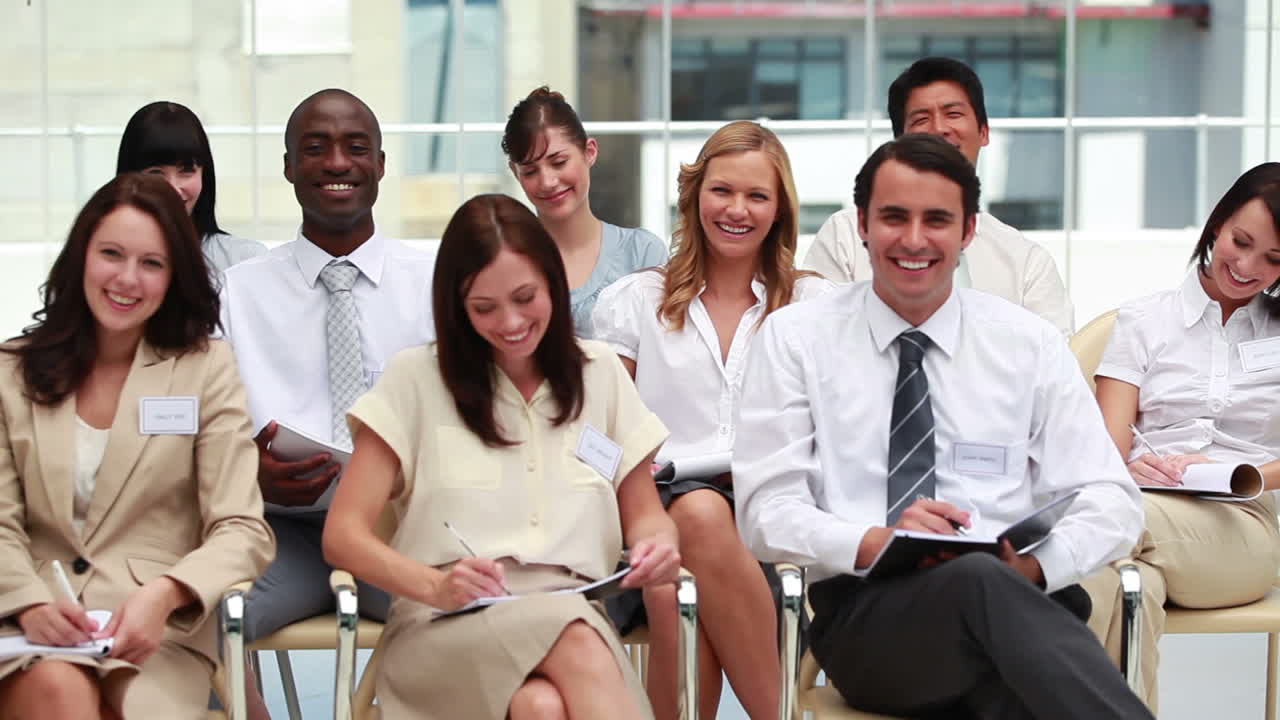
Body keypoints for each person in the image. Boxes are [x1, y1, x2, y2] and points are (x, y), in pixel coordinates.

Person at [734, 133, 1153, 719]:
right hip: (871, 619)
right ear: (861, 224)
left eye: (937, 219)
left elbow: (1113, 500)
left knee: (1005, 646)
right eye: (893, 217)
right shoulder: (796, 339)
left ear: (968, 230)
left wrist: (1031, 567)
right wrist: (882, 541)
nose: (913, 239)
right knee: (991, 600)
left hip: (1017, 603)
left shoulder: (1025, 343)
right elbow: (764, 513)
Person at [322, 193, 678, 720]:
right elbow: (343, 534)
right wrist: (435, 586)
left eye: (525, 297)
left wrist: (657, 546)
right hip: (446, 620)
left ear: (554, 284)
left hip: (571, 608)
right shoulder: (414, 378)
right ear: (456, 307)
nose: (510, 322)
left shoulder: (600, 373)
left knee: (541, 707)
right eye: (484, 308)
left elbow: (645, 514)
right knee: (576, 643)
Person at [0, 173, 274, 719]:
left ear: (174, 277)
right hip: (29, 622)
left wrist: (168, 593)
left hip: (154, 633)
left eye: (152, 263)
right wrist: (28, 602)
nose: (128, 279)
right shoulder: (11, 371)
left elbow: (242, 527)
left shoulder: (206, 370)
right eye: (111, 254)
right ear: (81, 256)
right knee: (60, 691)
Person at [592, 120, 831, 720]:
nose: (737, 209)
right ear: (695, 195)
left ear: (779, 210)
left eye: (757, 196)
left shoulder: (815, 307)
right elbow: (600, 434)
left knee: (684, 580)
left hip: (773, 520)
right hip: (655, 511)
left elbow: (839, 433)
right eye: (722, 190)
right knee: (694, 520)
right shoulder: (634, 300)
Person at [217, 88, 436, 720]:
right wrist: (246, 472)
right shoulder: (240, 292)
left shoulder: (435, 282)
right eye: (315, 148)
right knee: (187, 619)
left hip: (402, 528)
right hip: (282, 532)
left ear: (381, 164)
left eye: (355, 147)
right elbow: (212, 425)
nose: (337, 162)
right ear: (288, 166)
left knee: (482, 623)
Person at [1081, 162, 1280, 708]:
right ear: (1217, 224)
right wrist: (1127, 468)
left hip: (1241, 528)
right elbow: (1106, 446)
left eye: (1273, 259)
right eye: (1241, 242)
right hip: (1141, 508)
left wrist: (1243, 476)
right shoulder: (1144, 321)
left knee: (1092, 525)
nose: (1247, 266)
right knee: (1127, 588)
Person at [803, 56, 1074, 335]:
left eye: (953, 114)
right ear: (899, 140)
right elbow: (815, 339)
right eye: (921, 119)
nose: (939, 129)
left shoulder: (1027, 262)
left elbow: (1054, 365)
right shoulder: (846, 234)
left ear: (983, 131)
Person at [503, 86, 668, 336]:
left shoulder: (642, 253)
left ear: (589, 152)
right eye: (530, 171)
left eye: (559, 162)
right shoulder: (502, 259)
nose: (547, 181)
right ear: (515, 172)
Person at [116, 101, 267, 275]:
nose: (173, 188)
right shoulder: (102, 258)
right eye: (155, 173)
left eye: (187, 171)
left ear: (205, 174)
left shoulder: (244, 261)